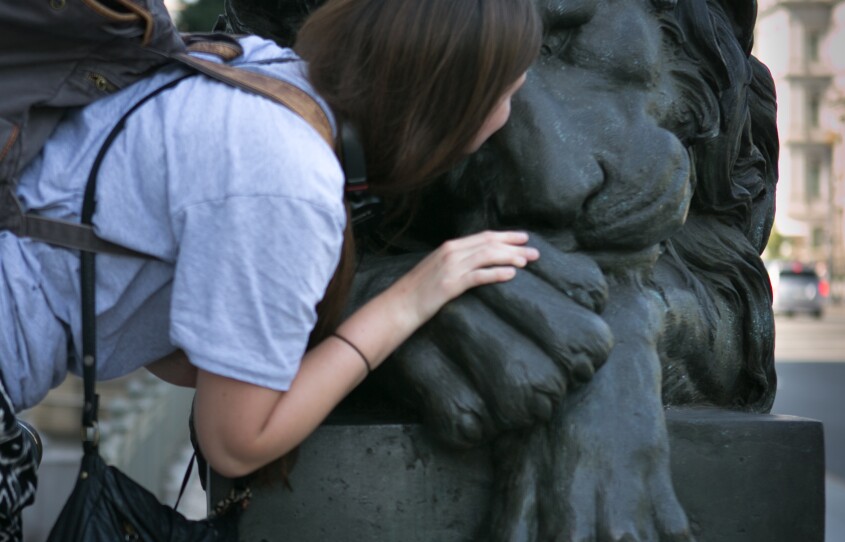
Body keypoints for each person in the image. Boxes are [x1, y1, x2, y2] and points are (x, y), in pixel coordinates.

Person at [0, 0, 541, 536]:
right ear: (452, 103)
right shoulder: (289, 180)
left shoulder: (255, 66)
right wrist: (410, 300)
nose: (509, 116)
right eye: (509, 93)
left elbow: (168, 347)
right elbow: (235, 442)